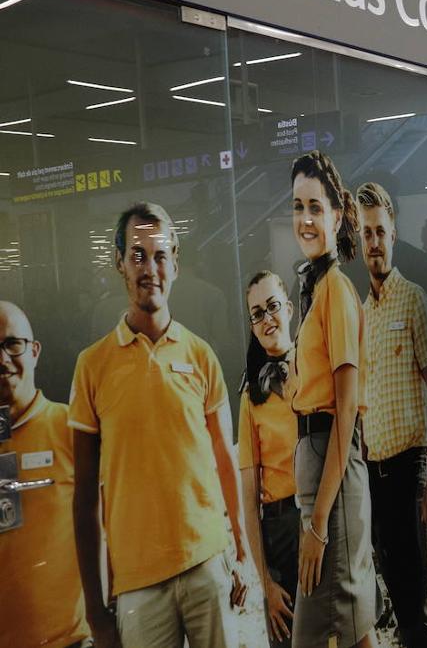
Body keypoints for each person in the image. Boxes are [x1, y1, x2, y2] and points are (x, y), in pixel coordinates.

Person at [70, 202, 246, 648]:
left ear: (176, 263)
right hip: (137, 587)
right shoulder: (91, 367)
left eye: (161, 254)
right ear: (119, 264)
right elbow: (85, 496)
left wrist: (240, 551)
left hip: (207, 564)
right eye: (137, 254)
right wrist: (94, 607)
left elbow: (226, 459)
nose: (151, 267)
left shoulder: (201, 355)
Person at [288, 151, 376, 648]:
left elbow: (344, 408)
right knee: (352, 626)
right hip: (321, 467)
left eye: (315, 207)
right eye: (298, 206)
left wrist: (318, 523)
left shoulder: (335, 289)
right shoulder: (316, 288)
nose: (305, 218)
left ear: (337, 215)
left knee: (324, 630)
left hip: (332, 473)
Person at [356, 181, 427, 648]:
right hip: (374, 470)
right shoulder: (361, 313)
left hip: (410, 467)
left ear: (393, 233)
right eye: (366, 233)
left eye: (380, 232)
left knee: (415, 598)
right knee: (392, 580)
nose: (373, 242)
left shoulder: (413, 301)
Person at [0, 301, 89, 648]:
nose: (3, 358)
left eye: (13, 344)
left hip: (73, 639)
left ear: (34, 351)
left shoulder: (71, 428)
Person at [238, 272, 299, 648]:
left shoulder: (317, 371)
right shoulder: (250, 397)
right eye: (257, 313)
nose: (267, 319)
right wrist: (267, 583)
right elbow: (248, 499)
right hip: (281, 535)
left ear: (289, 309)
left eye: (273, 306)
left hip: (325, 522)